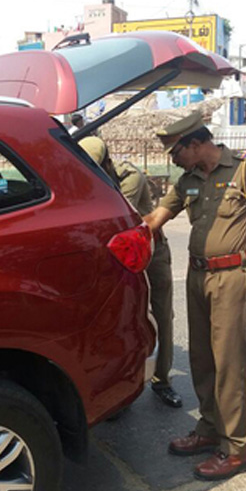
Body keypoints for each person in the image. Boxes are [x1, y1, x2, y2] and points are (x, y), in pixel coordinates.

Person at [143, 112, 246, 480]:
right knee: (202, 358)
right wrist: (132, 235)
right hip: (197, 274)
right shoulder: (186, 180)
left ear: (196, 144)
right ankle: (207, 428)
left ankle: (236, 448)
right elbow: (158, 216)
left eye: (176, 152)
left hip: (232, 276)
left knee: (229, 363)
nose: (173, 160)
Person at [79, 136, 182, 408]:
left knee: (161, 315)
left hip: (150, 251)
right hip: (116, 256)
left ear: (105, 162)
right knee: (120, 319)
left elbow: (116, 217)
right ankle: (121, 386)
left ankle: (162, 380)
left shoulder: (130, 177)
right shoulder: (88, 179)